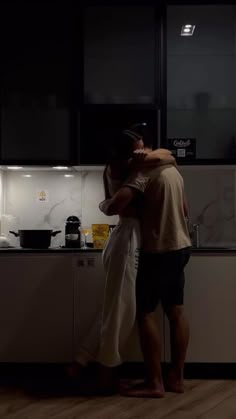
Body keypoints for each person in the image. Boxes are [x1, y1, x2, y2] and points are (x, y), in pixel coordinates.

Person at [71, 127, 176, 394]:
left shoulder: (121, 165)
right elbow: (166, 158)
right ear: (128, 153)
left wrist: (104, 205)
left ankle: (82, 361)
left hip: (124, 238)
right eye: (139, 148)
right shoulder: (129, 168)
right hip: (127, 241)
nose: (144, 151)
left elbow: (167, 155)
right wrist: (107, 204)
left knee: (114, 308)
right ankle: (106, 376)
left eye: (144, 147)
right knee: (120, 311)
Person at [99, 157, 191, 397]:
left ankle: (155, 383)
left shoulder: (142, 174)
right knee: (176, 312)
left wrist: (103, 203)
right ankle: (177, 379)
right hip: (180, 246)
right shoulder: (173, 171)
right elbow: (185, 209)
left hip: (157, 249)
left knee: (145, 313)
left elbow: (115, 207)